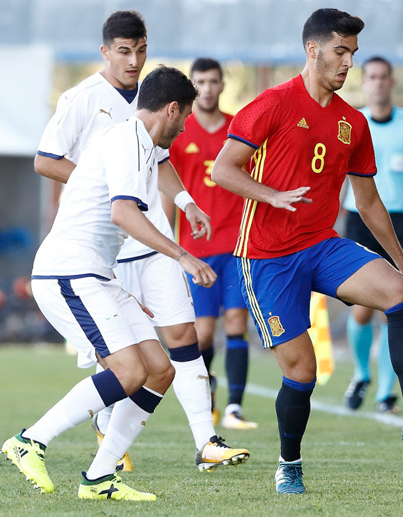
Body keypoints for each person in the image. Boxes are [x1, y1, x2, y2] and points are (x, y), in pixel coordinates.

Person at [211, 8, 403, 495]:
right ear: (312, 50)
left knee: (401, 295)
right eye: (340, 52)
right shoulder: (271, 104)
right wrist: (271, 195)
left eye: (352, 54)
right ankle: (288, 464)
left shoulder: (352, 123)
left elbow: (369, 201)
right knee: (303, 371)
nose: (348, 64)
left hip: (321, 244)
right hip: (267, 258)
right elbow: (223, 169)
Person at [32, 11, 248, 471]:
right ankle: (81, 440)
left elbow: (162, 161)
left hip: (152, 234)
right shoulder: (82, 99)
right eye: (124, 51)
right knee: (122, 360)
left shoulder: (155, 98)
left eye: (141, 50)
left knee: (178, 342)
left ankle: (205, 441)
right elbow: (46, 160)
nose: (133, 60)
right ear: (105, 51)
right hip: (109, 239)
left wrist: (187, 202)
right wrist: (106, 184)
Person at [2, 65, 214, 500]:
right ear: (172, 109)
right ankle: (29, 441)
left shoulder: (135, 142)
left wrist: (123, 289)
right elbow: (123, 215)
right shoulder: (129, 140)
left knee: (159, 370)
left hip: (95, 274)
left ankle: (100, 478)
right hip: (68, 272)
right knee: (130, 371)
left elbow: (109, 220)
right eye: (185, 117)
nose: (185, 126)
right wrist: (183, 255)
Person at [340, 56, 403, 414]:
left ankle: (385, 392)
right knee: (363, 312)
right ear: (364, 82)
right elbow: (337, 177)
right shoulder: (352, 122)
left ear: (392, 81)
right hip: (358, 220)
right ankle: (361, 374)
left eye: (384, 77)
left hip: (399, 222)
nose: (379, 83)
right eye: (372, 77)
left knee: (397, 305)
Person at [169, 57, 257, 430]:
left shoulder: (239, 128)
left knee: (237, 321)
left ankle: (236, 407)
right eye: (200, 82)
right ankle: (210, 393)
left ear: (222, 86)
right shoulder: (179, 132)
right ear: (193, 86)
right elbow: (166, 186)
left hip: (237, 244)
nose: (207, 88)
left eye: (213, 81)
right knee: (203, 332)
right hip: (195, 247)